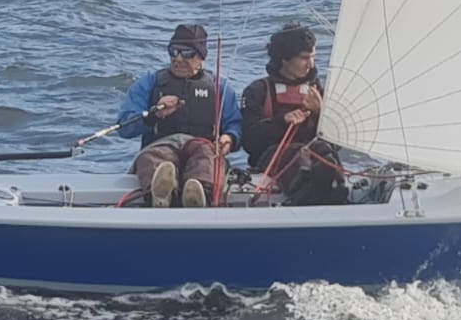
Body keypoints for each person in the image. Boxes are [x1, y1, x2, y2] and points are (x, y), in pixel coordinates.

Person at [117, 24, 241, 207]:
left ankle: (200, 194)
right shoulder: (150, 83)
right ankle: (159, 195)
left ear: (201, 57)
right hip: (162, 144)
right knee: (154, 158)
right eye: (173, 51)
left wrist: (230, 137)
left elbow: (235, 123)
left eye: (187, 53)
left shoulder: (220, 89)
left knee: (207, 158)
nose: (178, 59)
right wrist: (153, 114)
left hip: (202, 145)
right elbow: (125, 127)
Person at [239, 23, 348, 206]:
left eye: (313, 57)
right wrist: (281, 122)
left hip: (314, 153)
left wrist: (321, 114)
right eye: (304, 58)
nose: (311, 64)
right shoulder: (258, 90)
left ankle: (333, 189)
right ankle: (304, 192)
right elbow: (249, 142)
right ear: (284, 59)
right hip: (273, 159)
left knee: (323, 153)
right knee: (299, 152)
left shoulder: (319, 90)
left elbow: (338, 142)